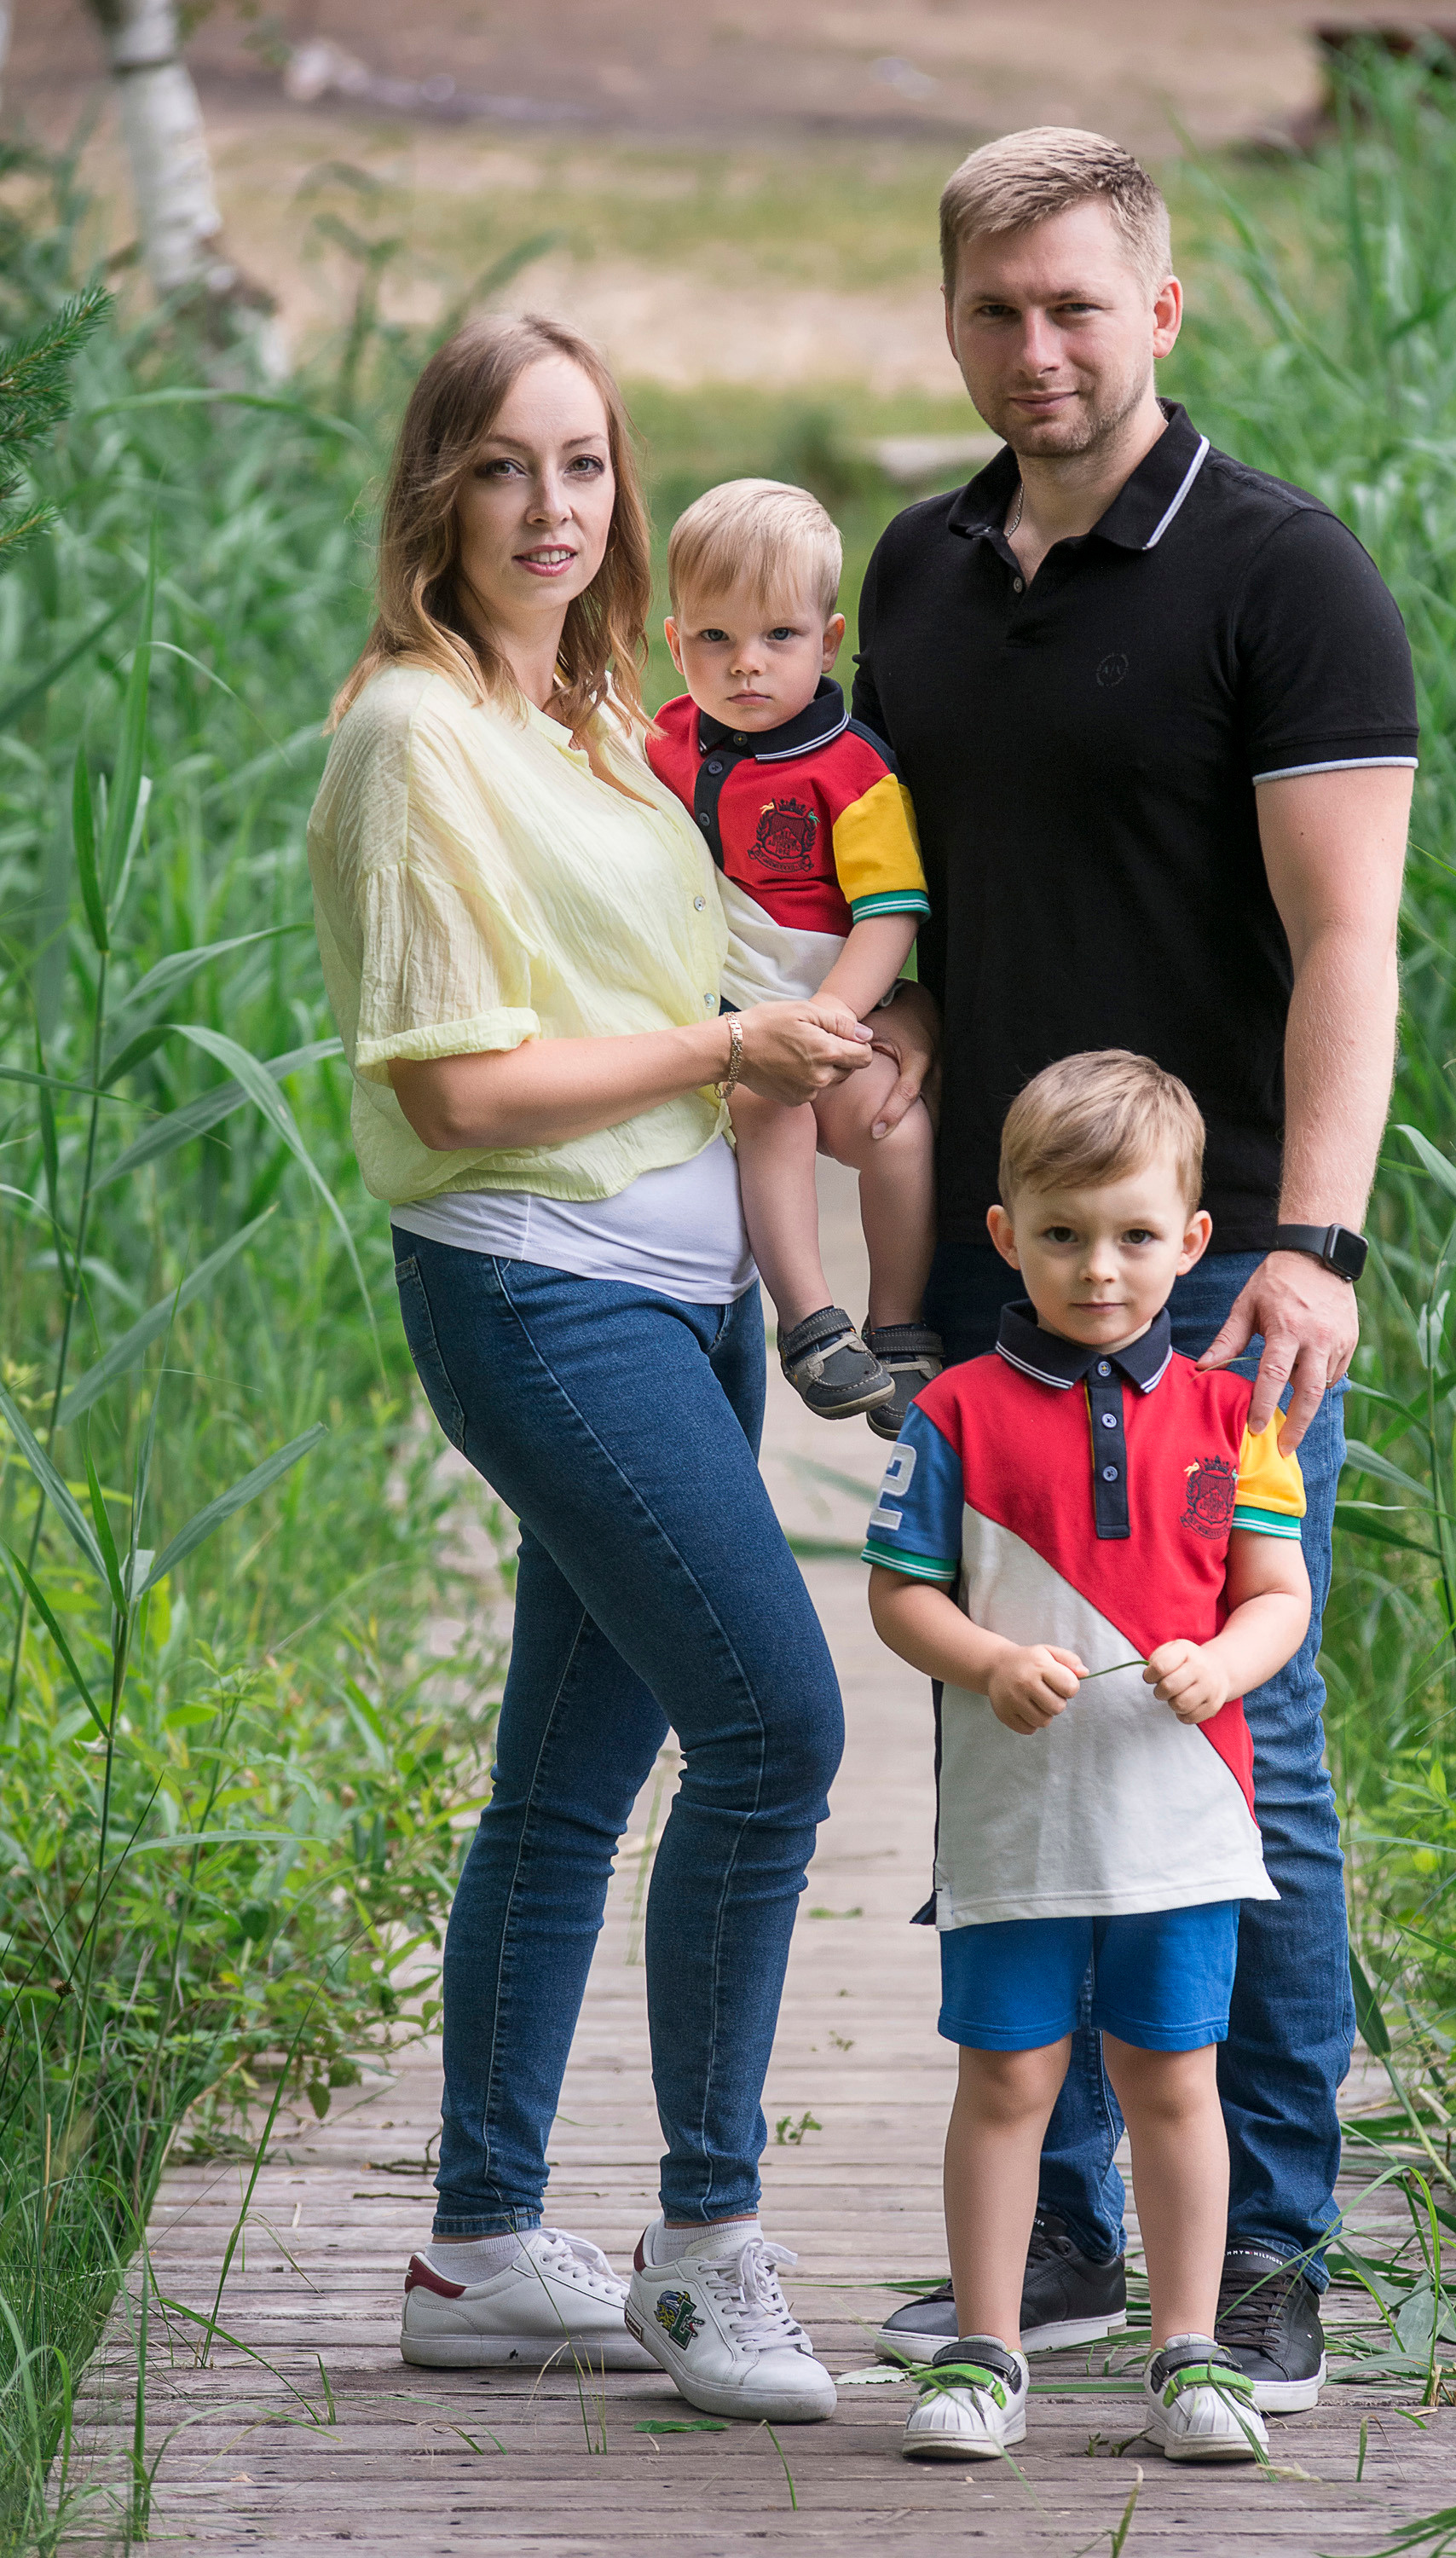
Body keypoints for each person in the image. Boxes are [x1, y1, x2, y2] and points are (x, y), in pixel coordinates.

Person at [305, 311, 930, 2425]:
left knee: (566, 1788)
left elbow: (734, 953)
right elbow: (466, 1088)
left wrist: (852, 1040)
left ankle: (479, 2242)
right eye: (504, 468)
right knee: (772, 1725)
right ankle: (705, 2243)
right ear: (435, 497)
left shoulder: (588, 714)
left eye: (582, 467)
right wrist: (729, 1049)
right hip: (538, 1288)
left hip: (684, 1300)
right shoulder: (415, 735)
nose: (551, 507)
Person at [858, 129, 1417, 2407]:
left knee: (1238, 1748)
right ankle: (1070, 2241)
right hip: (1002, 1280)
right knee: (1025, 1738)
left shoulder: (1285, 576)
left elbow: (1345, 936)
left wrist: (1315, 1245)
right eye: (996, 308)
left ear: (1161, 312)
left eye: (1078, 306)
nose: (1037, 349)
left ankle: (1268, 2245)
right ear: (954, 317)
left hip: (1214, 1277)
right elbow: (898, 923)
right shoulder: (912, 571)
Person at [864, 1052, 1311, 2463]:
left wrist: (1223, 1663)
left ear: (1191, 1242)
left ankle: (1193, 2357)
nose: (1099, 1270)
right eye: (1061, 1236)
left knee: (1175, 2075)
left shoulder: (1245, 1419)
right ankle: (986, 2356)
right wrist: (986, 1660)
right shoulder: (951, 1417)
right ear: (1005, 1238)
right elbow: (900, 1595)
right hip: (1014, 1823)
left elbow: (1279, 1598)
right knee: (1006, 2080)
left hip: (1180, 1816)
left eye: (1132, 1237)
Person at [648, 479, 941, 1438]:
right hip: (732, 1027)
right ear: (674, 640)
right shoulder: (664, 743)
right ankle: (810, 1323)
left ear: (827, 637)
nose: (745, 666)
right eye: (714, 639)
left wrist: (834, 1024)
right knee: (762, 1101)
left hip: (833, 1007)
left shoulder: (852, 772)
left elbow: (889, 915)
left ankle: (895, 1324)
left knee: (897, 1134)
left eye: (778, 636)